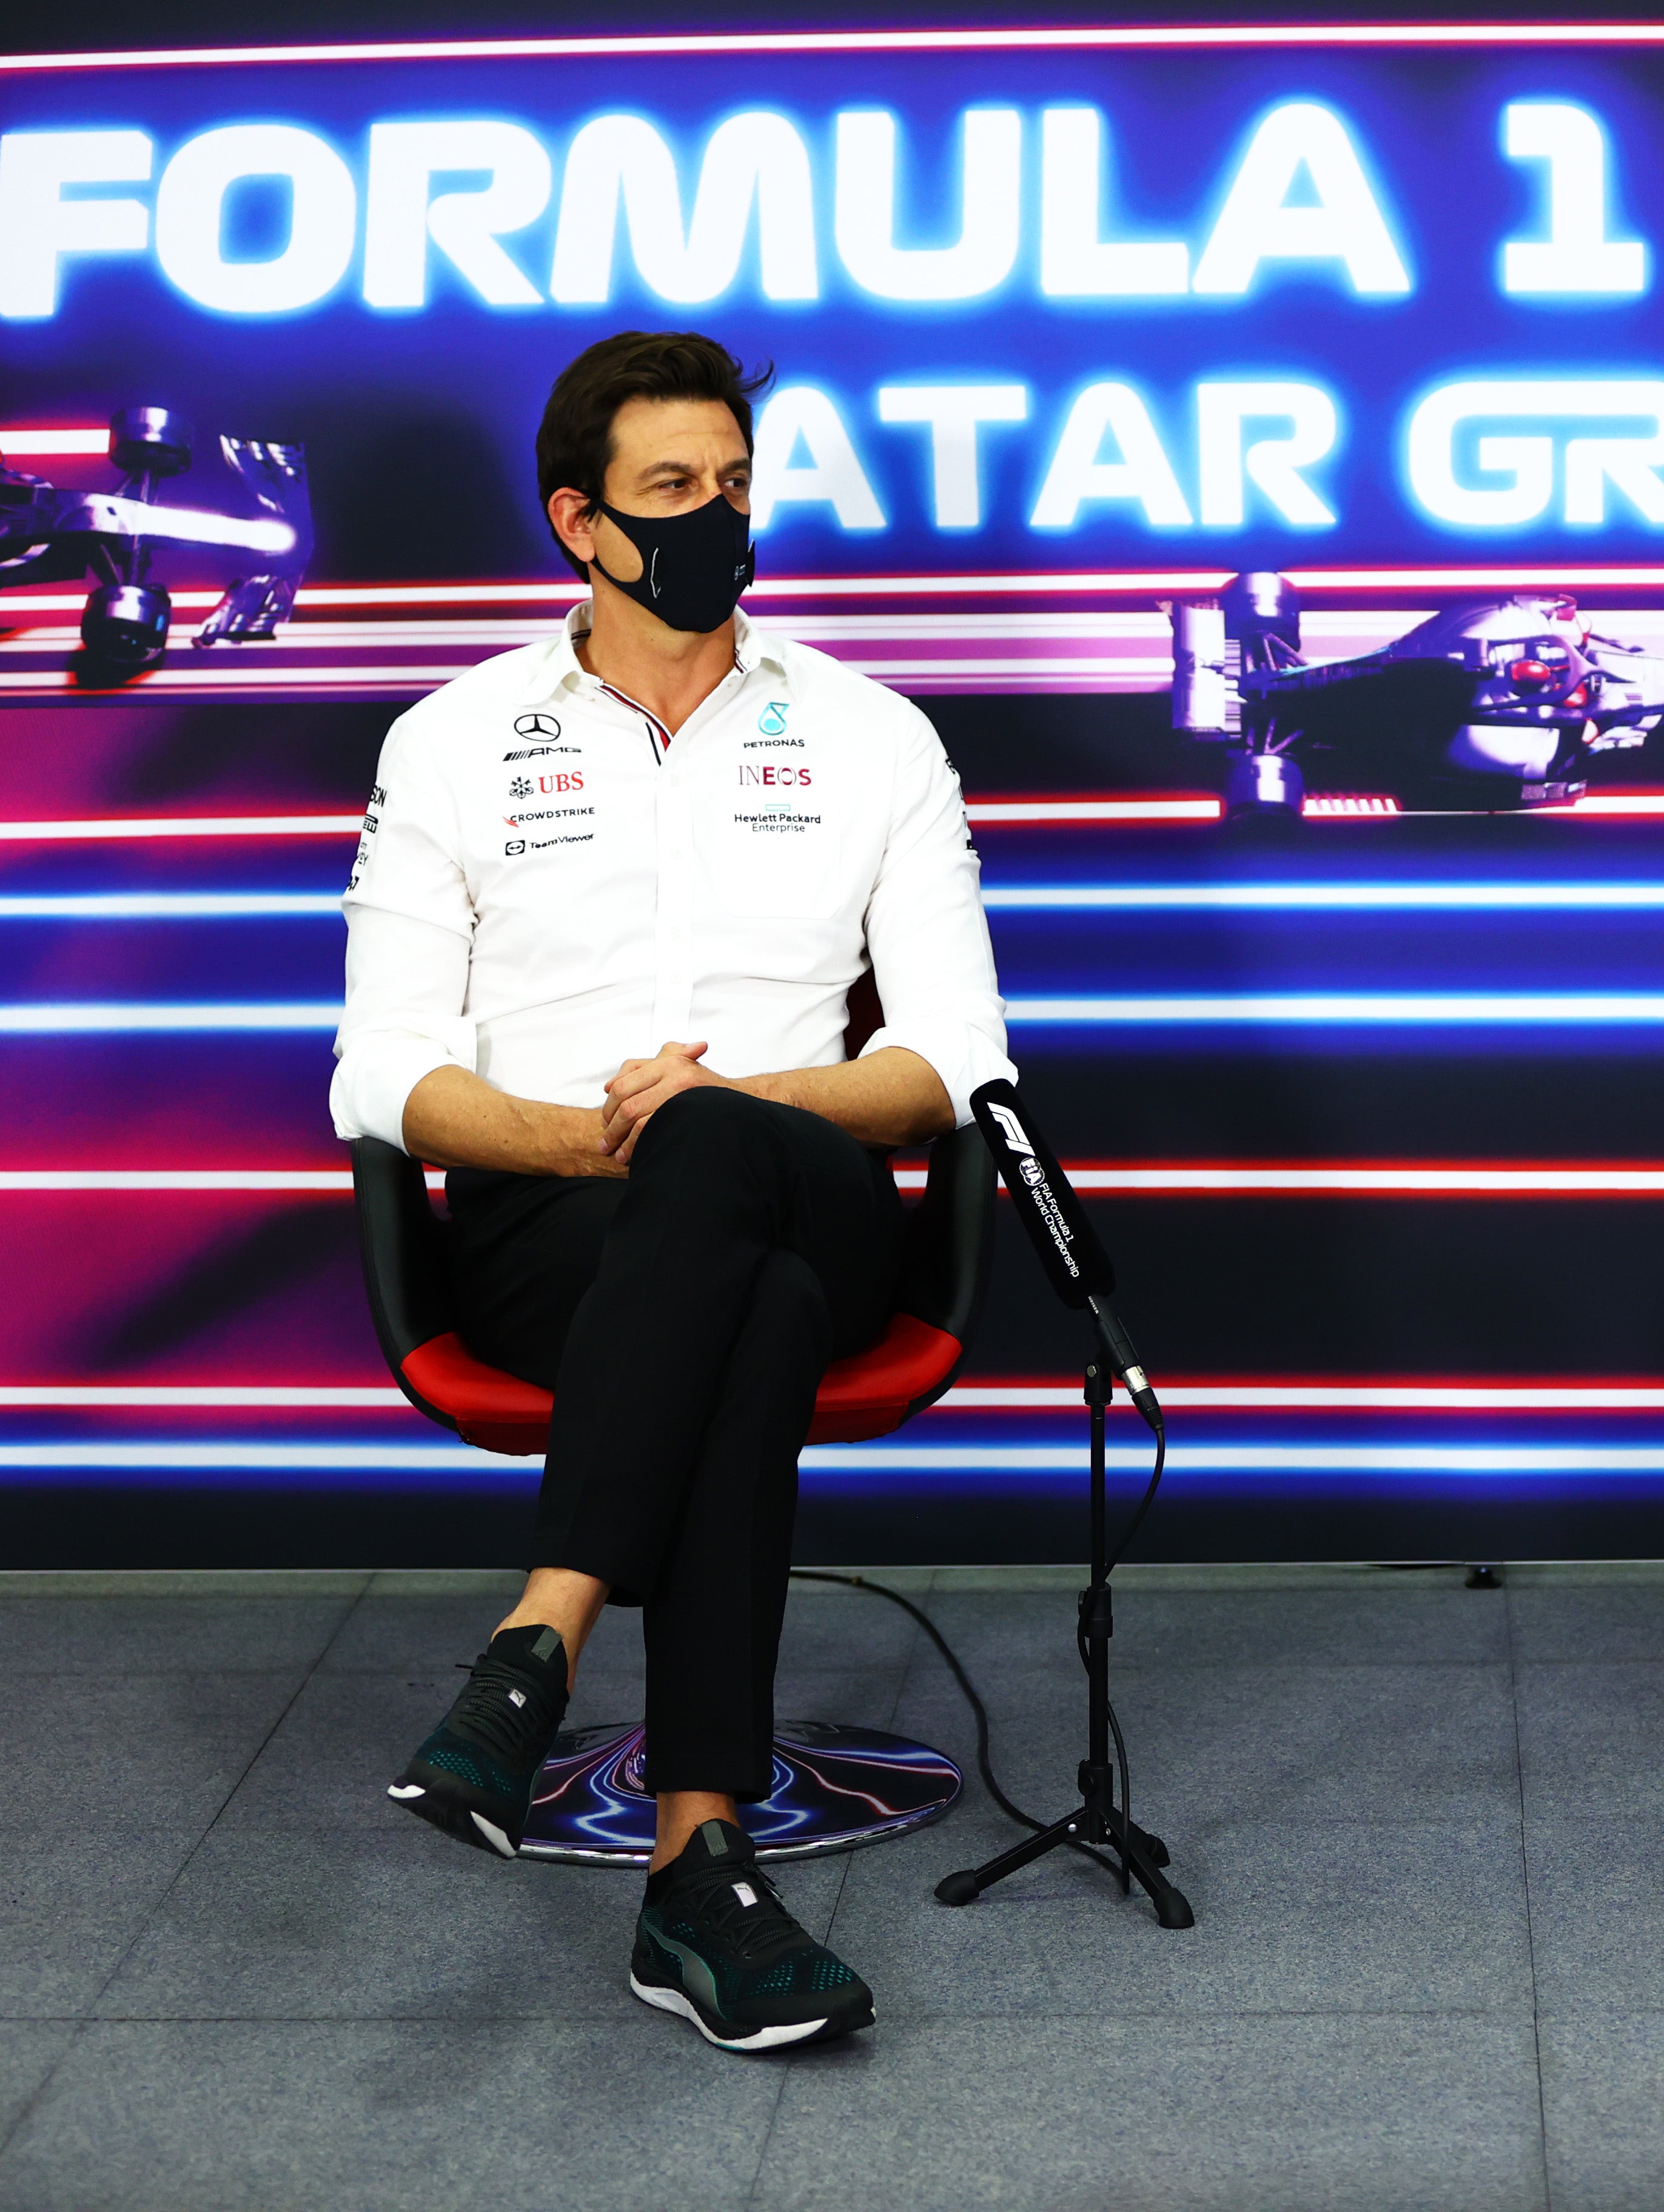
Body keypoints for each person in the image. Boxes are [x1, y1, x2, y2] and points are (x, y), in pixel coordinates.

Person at [333, 330, 1013, 2053]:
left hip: (821, 1193)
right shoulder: (453, 741)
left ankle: (541, 1632)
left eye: (731, 482)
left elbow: (953, 1061)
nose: (718, 515)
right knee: (748, 1306)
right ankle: (698, 1876)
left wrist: (732, 1108)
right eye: (668, 490)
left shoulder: (871, 736)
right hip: (552, 1224)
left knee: (731, 1169)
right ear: (579, 520)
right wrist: (593, 1140)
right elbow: (385, 1075)